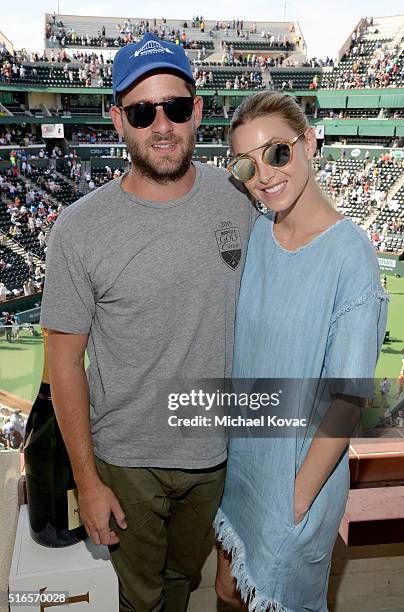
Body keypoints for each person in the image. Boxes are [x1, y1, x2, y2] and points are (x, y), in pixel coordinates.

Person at [39, 32, 254, 612]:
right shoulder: (80, 229)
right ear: (118, 121)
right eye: (142, 111)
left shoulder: (240, 199)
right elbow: (63, 363)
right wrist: (87, 481)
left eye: (176, 107)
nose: (162, 125)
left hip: (216, 454)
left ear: (197, 112)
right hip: (126, 460)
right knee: (142, 600)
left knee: (184, 582)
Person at [214, 92, 388, 612]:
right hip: (244, 469)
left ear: (309, 143)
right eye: (247, 163)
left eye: (278, 152)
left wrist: (295, 501)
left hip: (297, 483)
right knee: (229, 589)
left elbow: (348, 399)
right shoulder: (260, 233)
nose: (264, 174)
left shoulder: (351, 255)